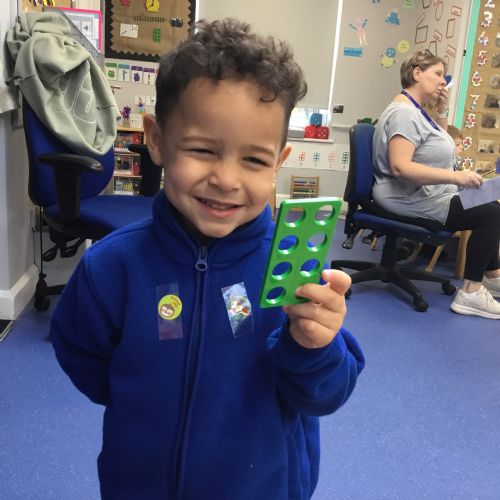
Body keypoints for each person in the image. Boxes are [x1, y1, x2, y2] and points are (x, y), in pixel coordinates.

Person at [50, 18, 365, 500]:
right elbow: (82, 356)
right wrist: (142, 403)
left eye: (254, 160)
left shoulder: (293, 271)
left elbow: (327, 394)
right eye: (202, 150)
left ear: (278, 163)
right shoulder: (111, 267)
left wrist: (314, 347)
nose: (226, 179)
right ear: (157, 140)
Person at [372, 49, 500, 319]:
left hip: (426, 194)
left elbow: (441, 146)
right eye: (438, 74)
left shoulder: (416, 111)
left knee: (492, 202)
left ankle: (493, 275)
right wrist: (456, 177)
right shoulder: (404, 113)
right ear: (417, 73)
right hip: (407, 198)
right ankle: (471, 293)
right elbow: (400, 166)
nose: (444, 81)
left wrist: (442, 111)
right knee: (491, 214)